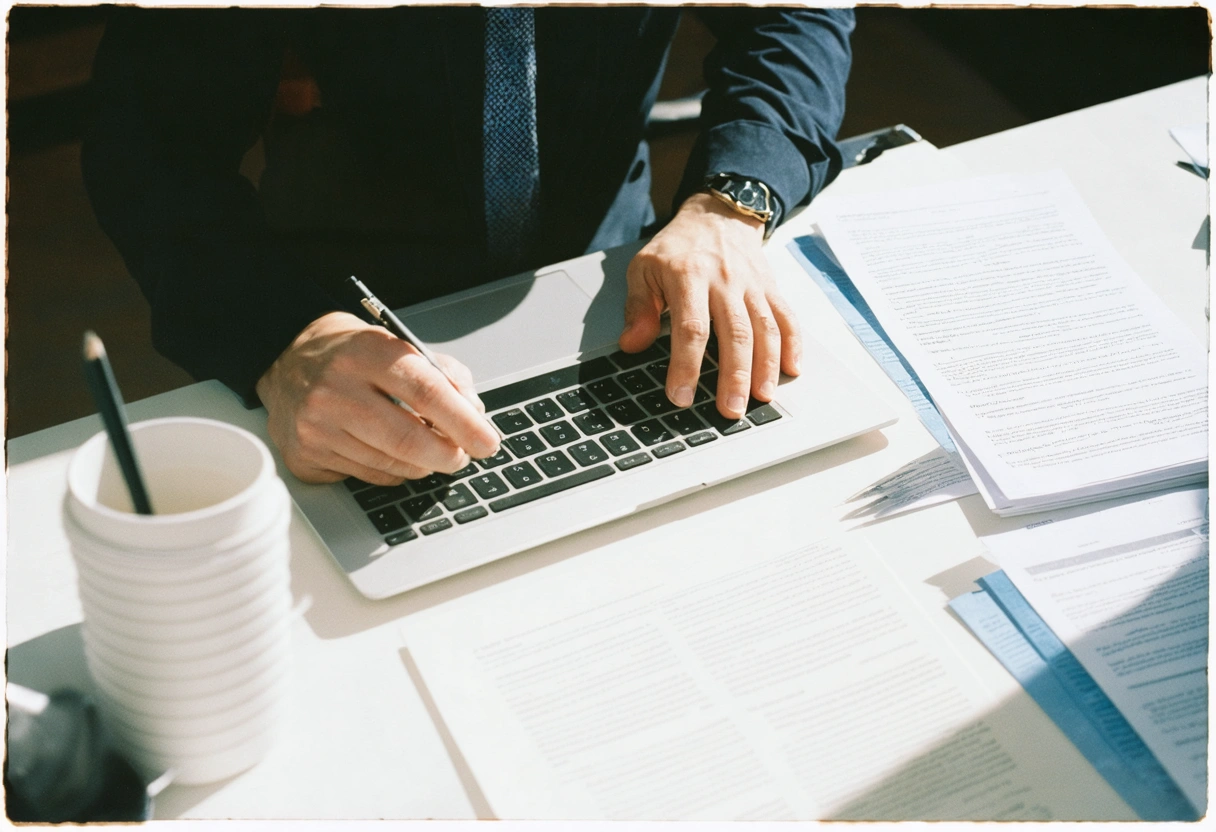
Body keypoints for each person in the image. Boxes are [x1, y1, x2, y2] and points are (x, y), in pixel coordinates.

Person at [83, 6, 854, 486]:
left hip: (614, 278)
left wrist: (732, 202)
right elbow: (149, 144)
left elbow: (791, 15)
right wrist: (282, 338)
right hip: (344, 316)